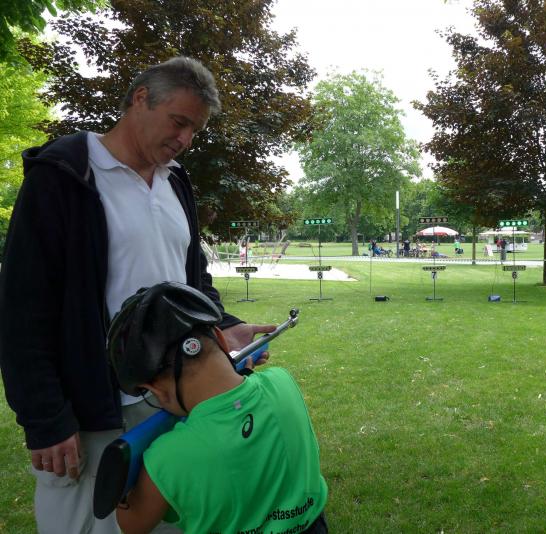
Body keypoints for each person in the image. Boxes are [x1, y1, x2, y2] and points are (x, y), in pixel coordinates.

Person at [0, 57, 273, 533]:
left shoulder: (175, 182)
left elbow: (192, 281)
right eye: (179, 122)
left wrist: (225, 327)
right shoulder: (63, 176)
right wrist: (45, 418)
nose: (185, 139)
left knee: (163, 524)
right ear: (141, 98)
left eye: (195, 130)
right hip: (91, 409)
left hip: (173, 399)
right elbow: (23, 308)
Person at [107, 282, 328, 534]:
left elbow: (131, 525)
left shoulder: (165, 459)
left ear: (156, 390)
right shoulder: (282, 382)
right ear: (221, 338)